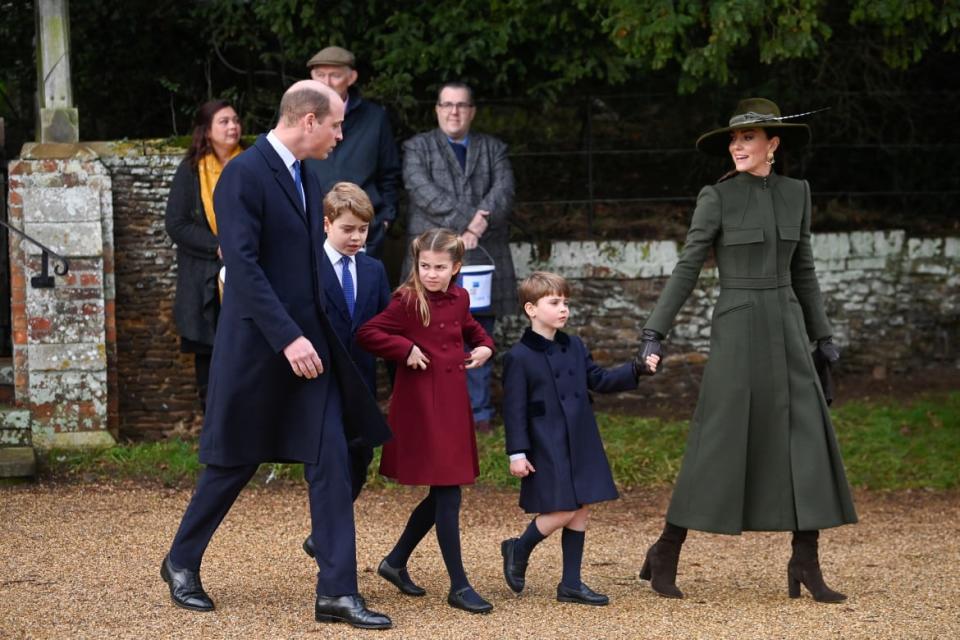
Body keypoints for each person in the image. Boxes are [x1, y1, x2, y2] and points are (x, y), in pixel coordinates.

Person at [159, 80, 393, 630]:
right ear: (308, 120)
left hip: (310, 351)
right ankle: (180, 561)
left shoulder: (308, 177)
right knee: (233, 463)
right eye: (336, 124)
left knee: (333, 459)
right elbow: (242, 267)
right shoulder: (243, 174)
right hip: (260, 350)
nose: (341, 133)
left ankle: (336, 592)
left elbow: (309, 266)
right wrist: (287, 337)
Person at [636, 98, 858, 603]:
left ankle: (805, 561)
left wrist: (823, 337)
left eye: (749, 138)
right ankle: (666, 550)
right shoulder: (716, 198)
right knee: (718, 438)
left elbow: (804, 269)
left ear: (772, 145)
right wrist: (655, 331)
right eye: (734, 140)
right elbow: (689, 266)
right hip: (736, 329)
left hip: (787, 326)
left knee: (807, 439)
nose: (738, 146)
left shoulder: (798, 193)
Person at [356, 228, 496, 614]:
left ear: (456, 268)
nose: (431, 274)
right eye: (424, 266)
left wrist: (485, 346)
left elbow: (469, 326)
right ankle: (460, 585)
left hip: (453, 403)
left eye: (439, 267)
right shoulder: (406, 299)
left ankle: (396, 561)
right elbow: (368, 332)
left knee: (444, 492)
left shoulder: (461, 296)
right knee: (449, 492)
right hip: (422, 405)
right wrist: (406, 348)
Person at [499, 271, 660, 606]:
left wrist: (636, 369)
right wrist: (517, 452)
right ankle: (519, 547)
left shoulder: (574, 345)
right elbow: (513, 410)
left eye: (565, 302)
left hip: (580, 435)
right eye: (554, 302)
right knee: (561, 508)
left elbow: (598, 379)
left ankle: (571, 583)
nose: (563, 309)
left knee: (582, 507)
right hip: (547, 440)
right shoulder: (518, 356)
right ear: (531, 309)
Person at [402, 81, 515, 432]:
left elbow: (505, 189)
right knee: (429, 334)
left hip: (483, 255)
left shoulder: (493, 148)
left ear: (472, 111)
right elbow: (422, 191)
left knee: (479, 331)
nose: (454, 111)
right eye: (447, 104)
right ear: (437, 109)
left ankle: (478, 414)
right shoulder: (417, 147)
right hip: (432, 258)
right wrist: (472, 222)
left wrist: (477, 230)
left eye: (462, 105)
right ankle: (434, 413)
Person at [300, 181, 392, 559]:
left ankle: (322, 533)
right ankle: (331, 540)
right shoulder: (308, 268)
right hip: (319, 384)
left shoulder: (373, 270)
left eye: (363, 230)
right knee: (328, 462)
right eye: (348, 229)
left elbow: (386, 328)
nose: (356, 237)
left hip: (362, 385)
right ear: (326, 224)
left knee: (359, 456)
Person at [164, 99, 242, 412]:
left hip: (251, 270)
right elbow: (177, 224)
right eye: (224, 121)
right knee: (209, 356)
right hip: (205, 279)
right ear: (207, 131)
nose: (233, 127)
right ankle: (213, 424)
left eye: (235, 120)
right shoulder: (192, 170)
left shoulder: (254, 163)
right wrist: (218, 245)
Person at [305, 45, 401, 258]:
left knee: (361, 290)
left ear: (352, 77)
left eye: (335, 76)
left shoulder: (375, 118)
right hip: (312, 232)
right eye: (320, 75)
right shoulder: (301, 119)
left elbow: (390, 174)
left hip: (365, 231)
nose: (326, 83)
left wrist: (384, 220)